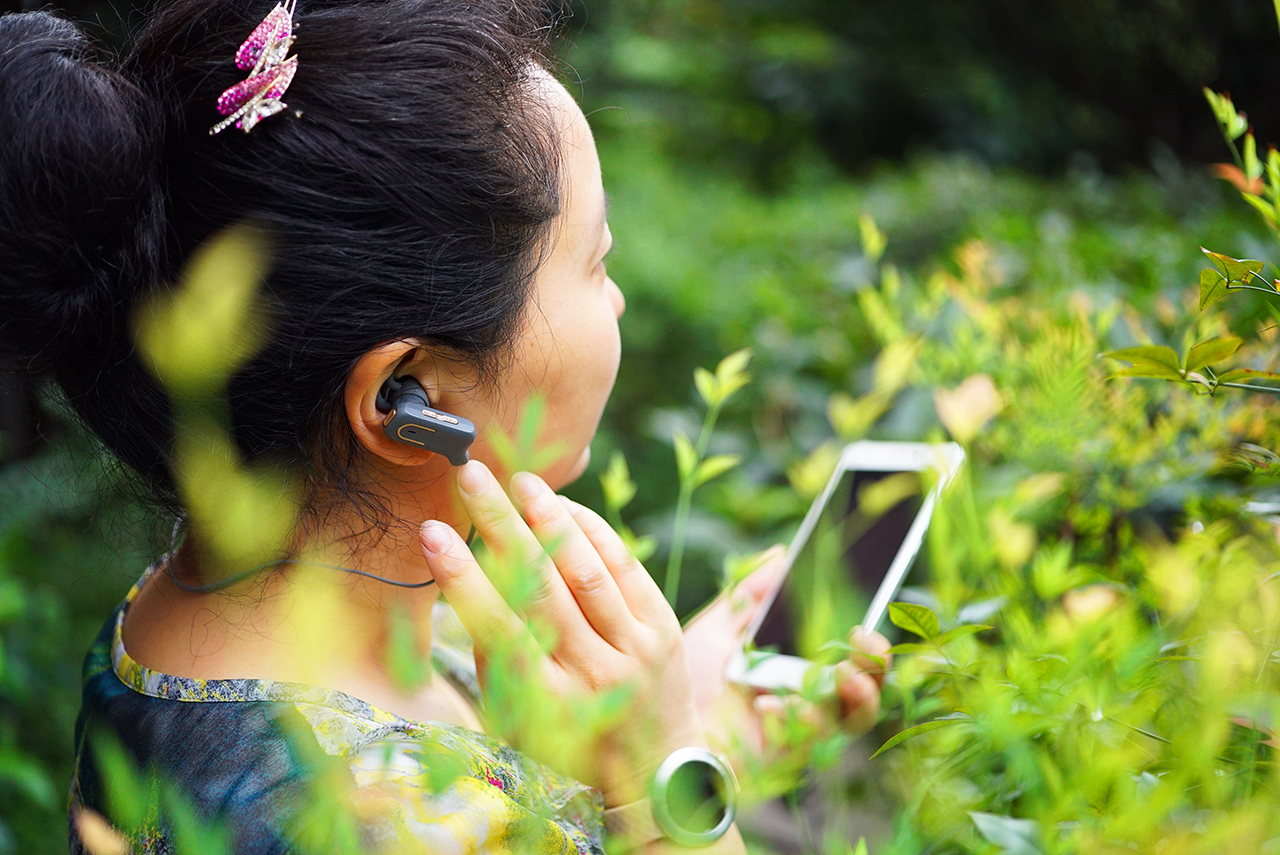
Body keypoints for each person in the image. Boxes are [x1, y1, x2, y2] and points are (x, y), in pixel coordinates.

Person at [0, 0, 890, 851]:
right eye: (596, 260)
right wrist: (668, 787)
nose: (615, 297)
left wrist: (689, 723)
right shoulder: (393, 822)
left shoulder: (204, 606)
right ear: (406, 393)